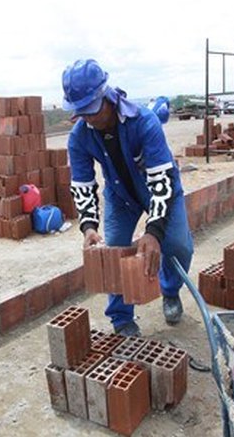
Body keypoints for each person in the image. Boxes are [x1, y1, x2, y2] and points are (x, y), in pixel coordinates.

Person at [62, 59, 194, 337]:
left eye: (90, 109)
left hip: (159, 189)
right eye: (80, 112)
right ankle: (121, 318)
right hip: (119, 196)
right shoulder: (79, 138)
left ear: (105, 95)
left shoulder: (144, 122)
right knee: (114, 251)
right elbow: (83, 185)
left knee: (178, 245)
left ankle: (170, 290)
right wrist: (88, 227)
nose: (87, 117)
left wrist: (154, 232)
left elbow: (161, 181)